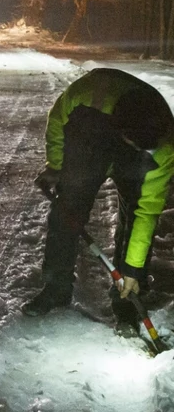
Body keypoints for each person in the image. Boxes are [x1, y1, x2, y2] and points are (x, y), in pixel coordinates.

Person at [22, 67, 174, 326]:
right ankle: (56, 288)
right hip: (90, 141)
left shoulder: (164, 149)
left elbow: (145, 213)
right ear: (121, 129)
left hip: (133, 164)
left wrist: (133, 270)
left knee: (134, 222)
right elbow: (57, 120)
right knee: (68, 210)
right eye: (135, 143)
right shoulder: (86, 97)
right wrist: (56, 167)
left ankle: (128, 295)